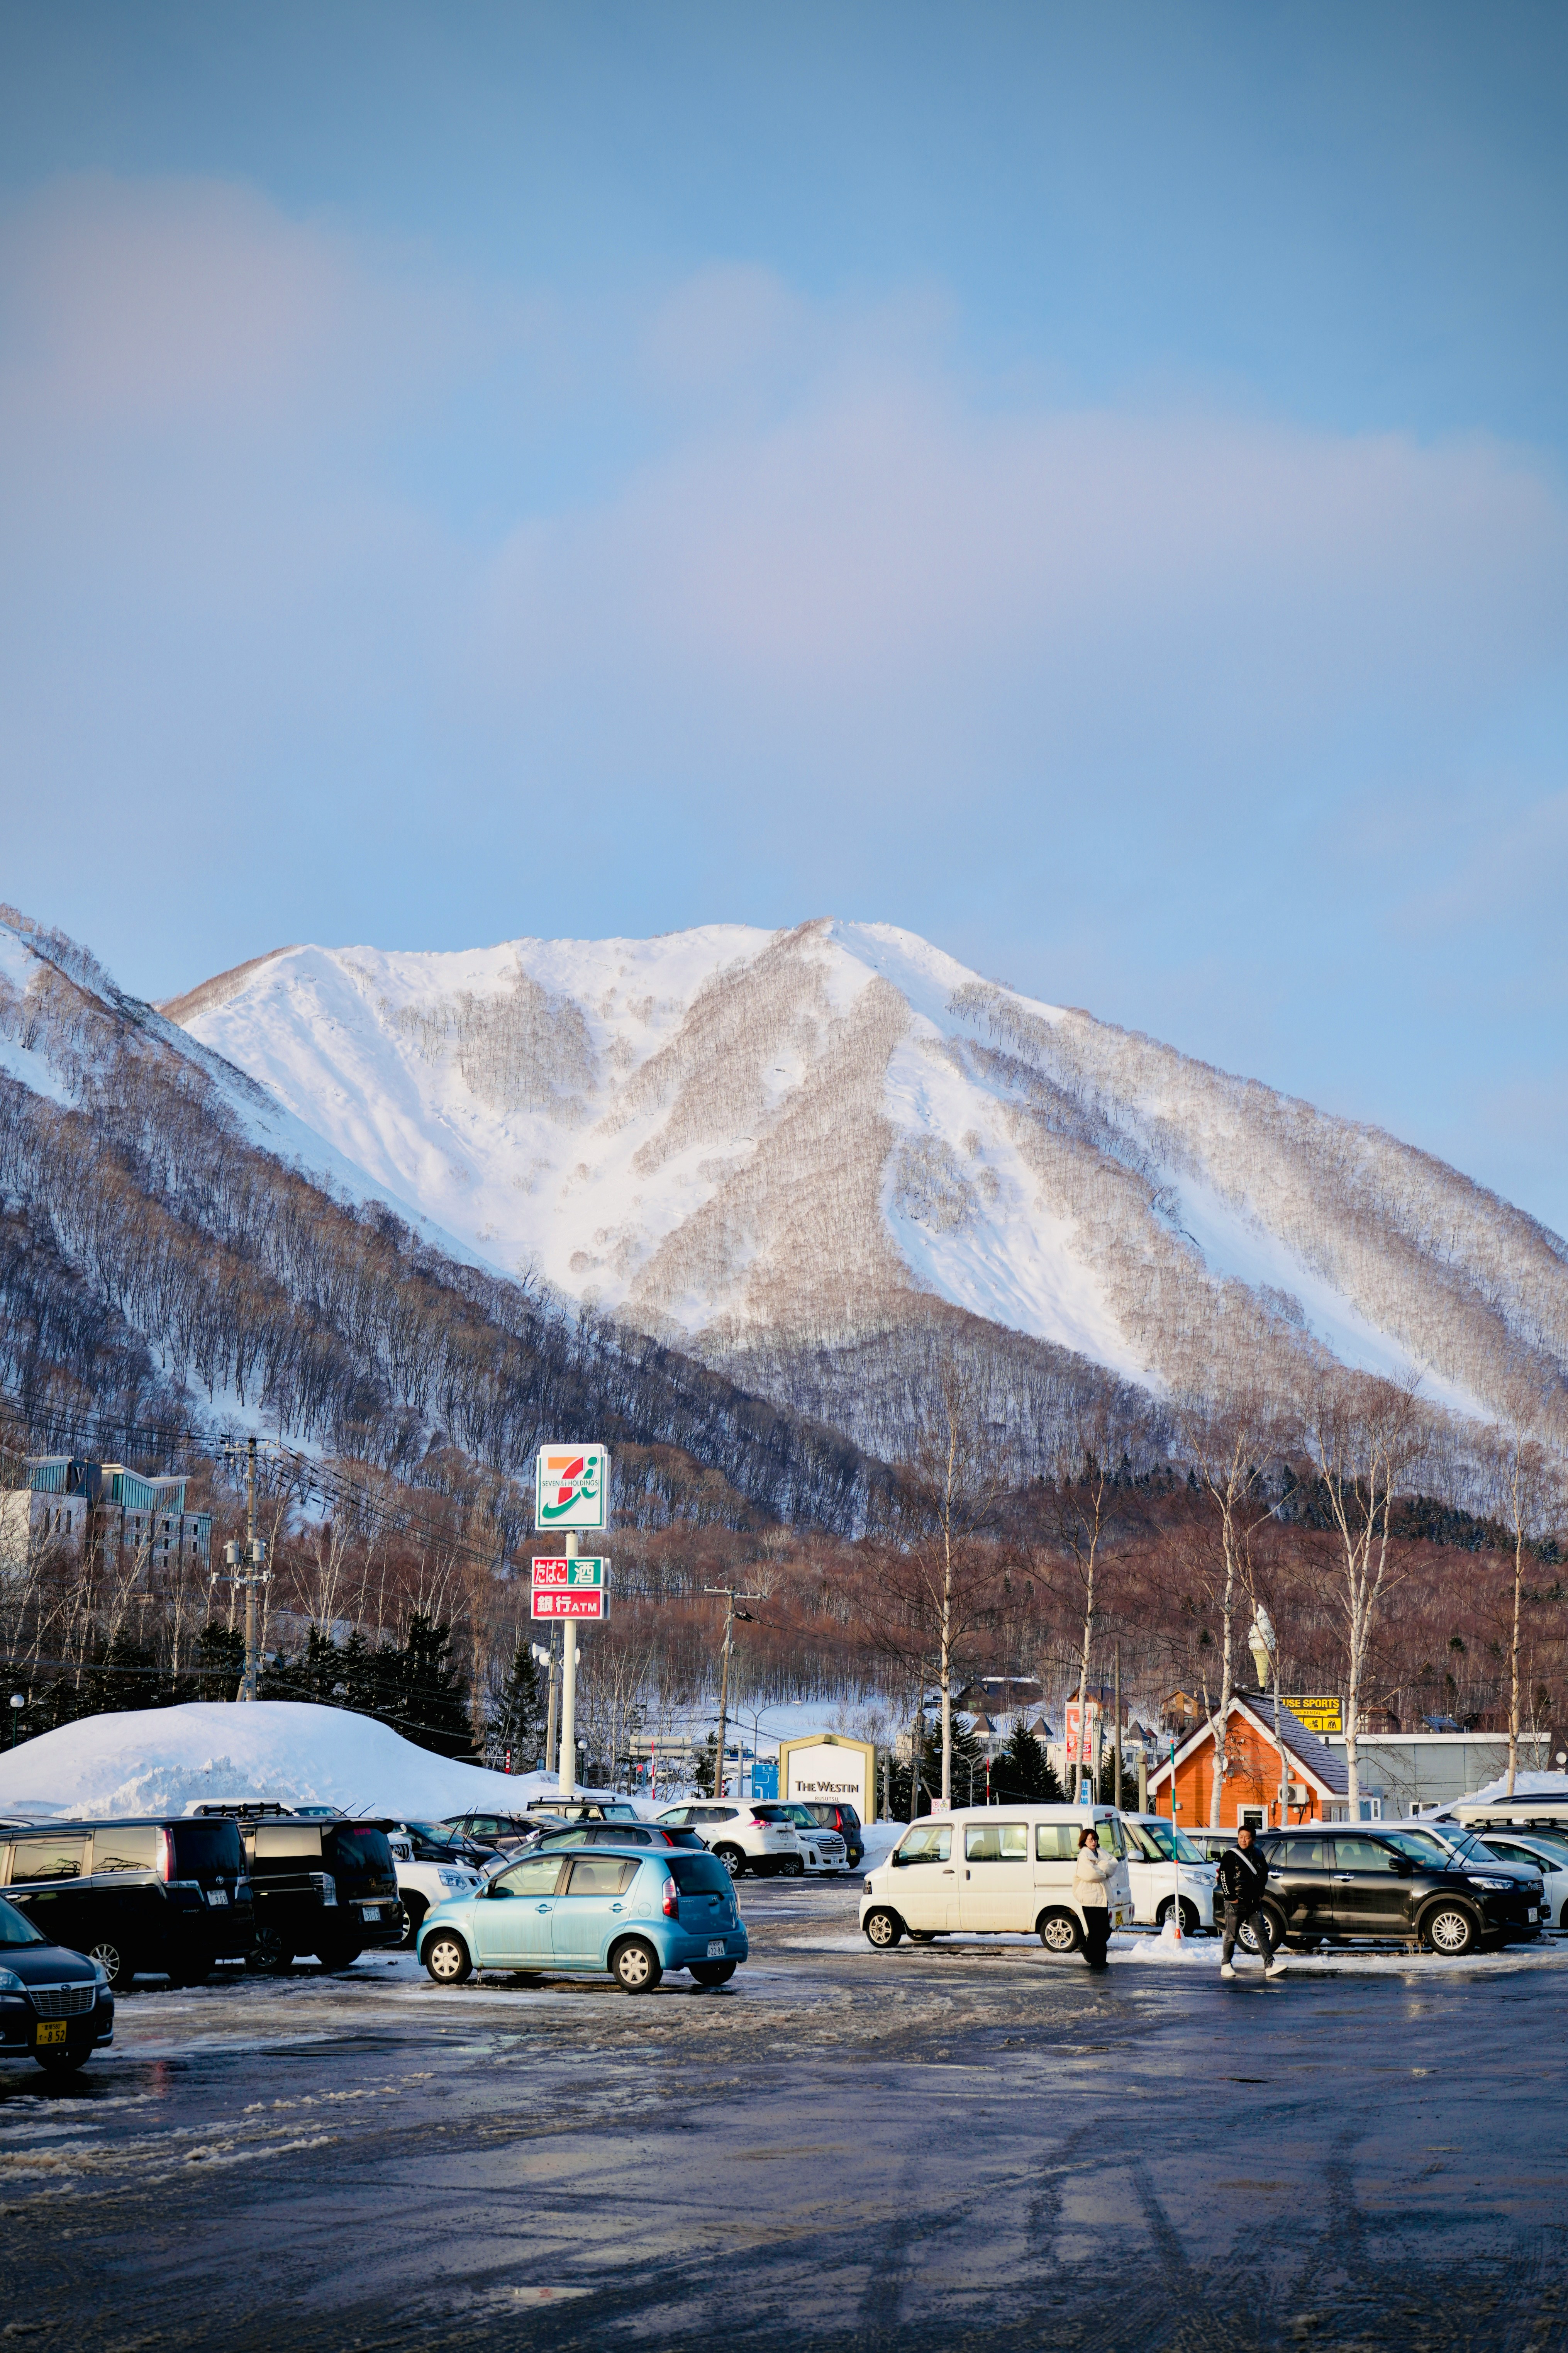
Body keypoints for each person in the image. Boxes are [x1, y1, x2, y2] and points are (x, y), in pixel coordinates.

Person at [1217, 1825, 1287, 1980]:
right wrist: (1231, 1897)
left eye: (1247, 1837)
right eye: (1241, 1836)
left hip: (1254, 1902)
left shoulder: (1258, 1853)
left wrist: (1260, 1893)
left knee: (1262, 1933)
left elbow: (1263, 1875)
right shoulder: (1231, 1855)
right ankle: (1226, 1965)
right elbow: (1224, 1877)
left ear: (1253, 1840)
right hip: (1236, 1903)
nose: (1243, 1840)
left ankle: (1270, 1965)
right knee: (1231, 1935)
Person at [1073, 1825, 1116, 1971]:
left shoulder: (1101, 1853)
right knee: (1096, 1931)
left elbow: (1113, 1865)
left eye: (1095, 1839)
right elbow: (1091, 1875)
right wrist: (1103, 1871)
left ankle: (1088, 1949)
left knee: (1104, 1931)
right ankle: (1098, 1961)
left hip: (1103, 1899)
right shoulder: (1084, 1856)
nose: (1094, 1842)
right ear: (1084, 1841)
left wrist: (1101, 1869)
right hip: (1090, 1899)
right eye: (1091, 1839)